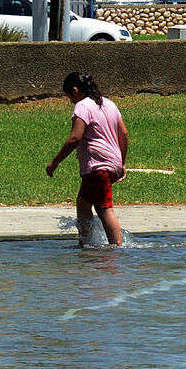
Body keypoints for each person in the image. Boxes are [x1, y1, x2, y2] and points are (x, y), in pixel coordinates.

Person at [47, 71, 127, 246]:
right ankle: (86, 243)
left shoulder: (82, 106)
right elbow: (124, 134)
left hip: (97, 166)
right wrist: (121, 163)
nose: (70, 101)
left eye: (69, 96)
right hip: (110, 163)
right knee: (83, 203)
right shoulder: (109, 104)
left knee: (104, 209)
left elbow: (75, 138)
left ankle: (116, 249)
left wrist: (55, 162)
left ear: (75, 90)